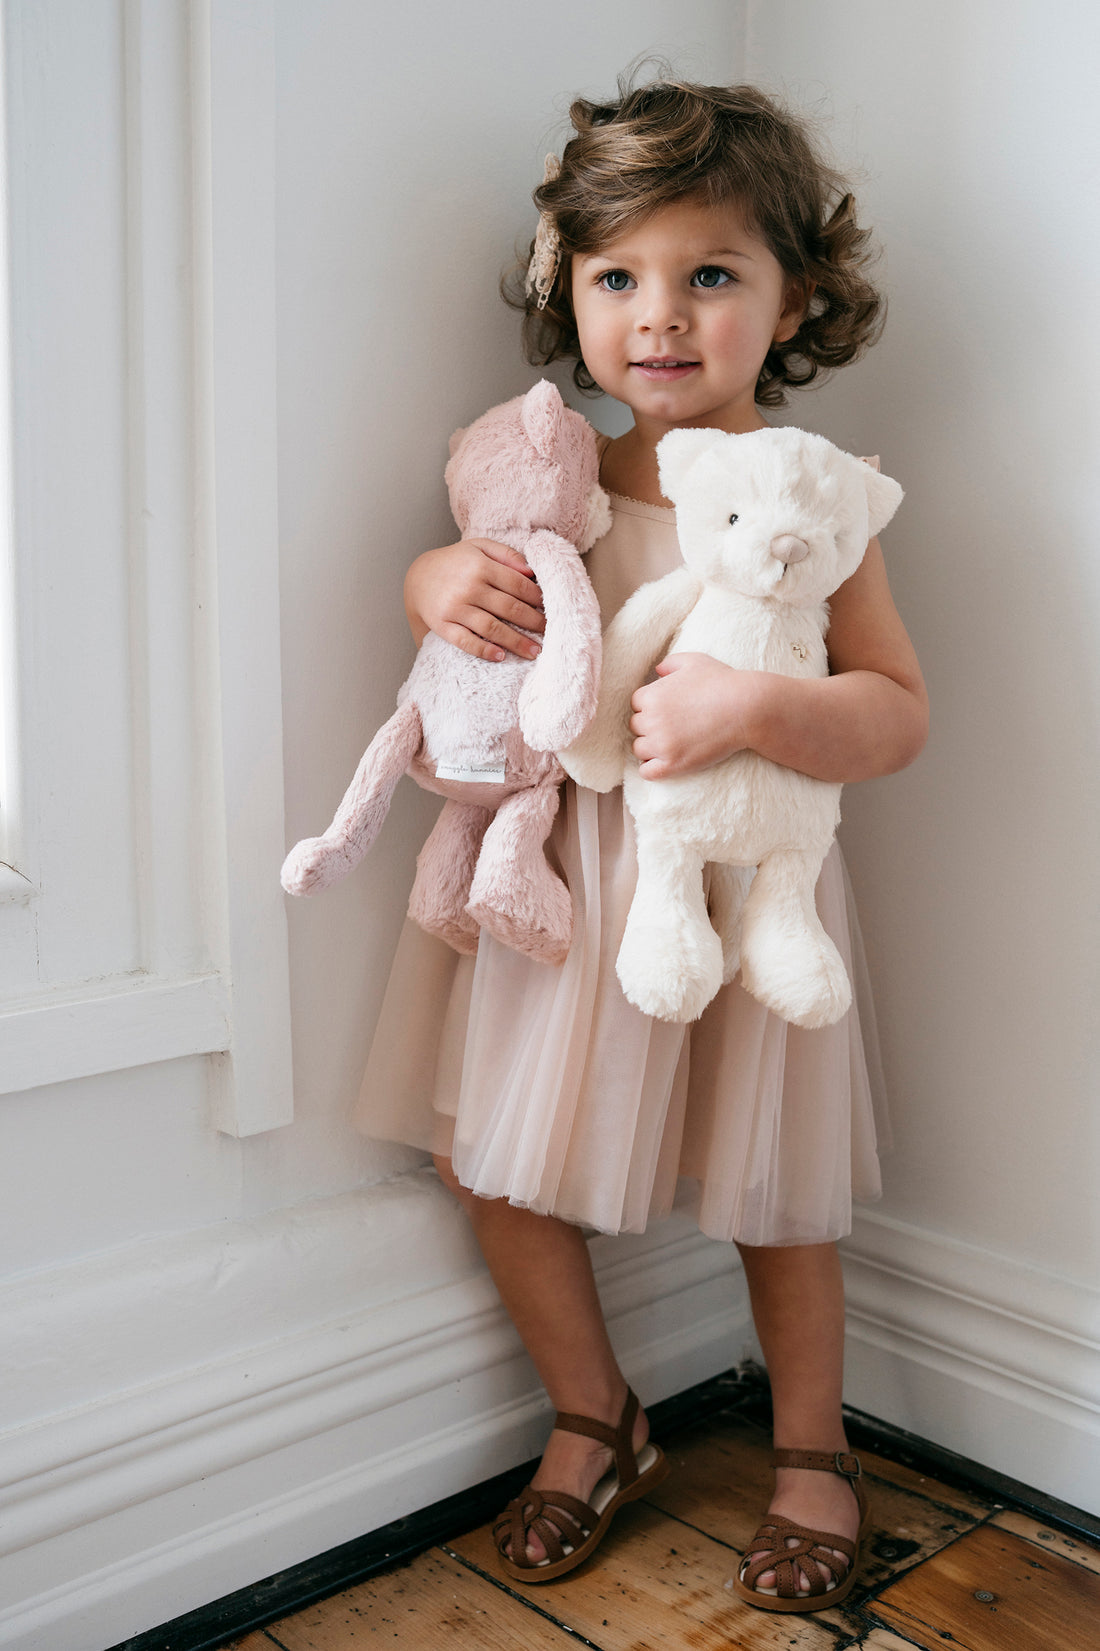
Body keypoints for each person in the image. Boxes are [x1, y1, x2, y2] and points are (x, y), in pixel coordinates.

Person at [356, 77, 928, 1614]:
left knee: (774, 1185)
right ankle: (593, 1413)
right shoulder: (548, 482)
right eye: (618, 277)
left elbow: (895, 710)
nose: (659, 315)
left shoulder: (815, 505)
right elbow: (466, 615)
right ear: (570, 295)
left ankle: (812, 1452)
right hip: (561, 891)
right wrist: (429, 581)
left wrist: (763, 706)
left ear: (794, 299)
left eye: (711, 273)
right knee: (491, 1163)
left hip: (738, 899)